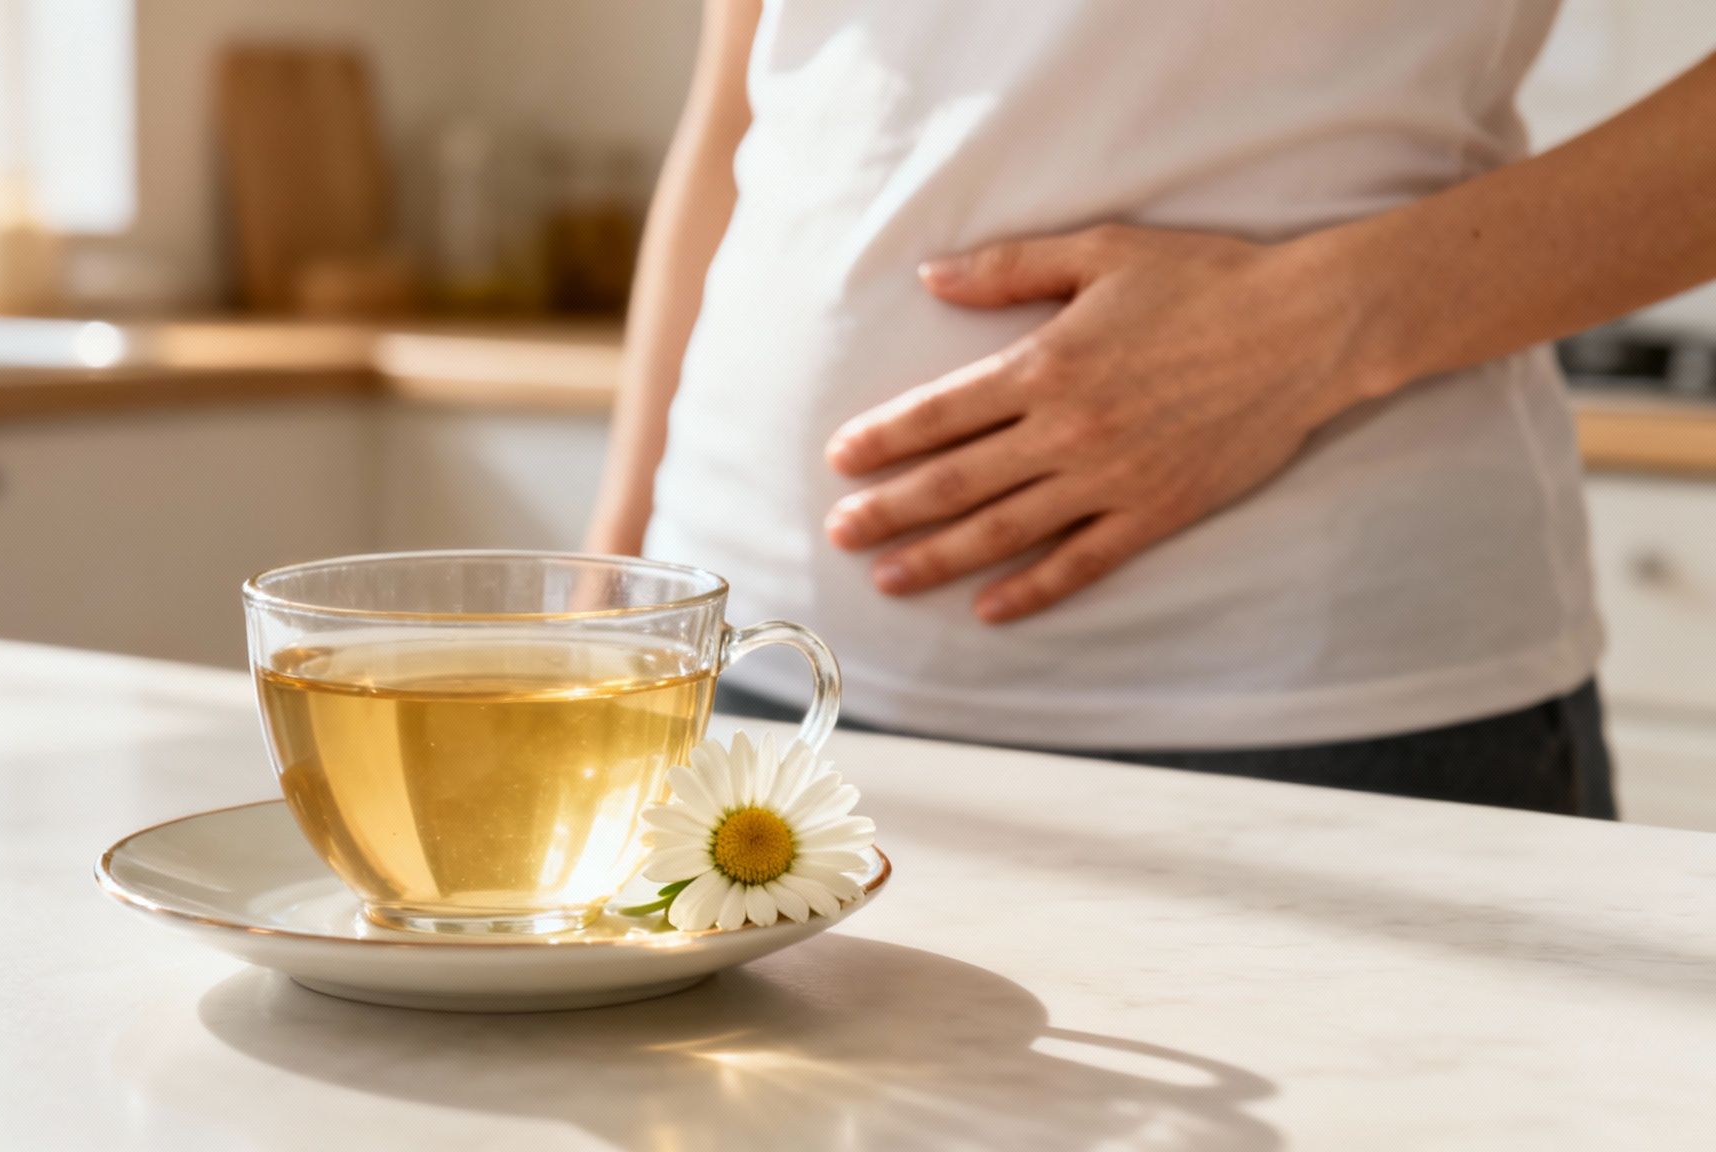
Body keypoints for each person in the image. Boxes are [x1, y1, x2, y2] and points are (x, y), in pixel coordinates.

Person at [587, 0, 1716, 817]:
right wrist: (611, 590)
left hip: (1317, 725)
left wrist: (1308, 329)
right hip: (736, 676)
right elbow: (746, 88)